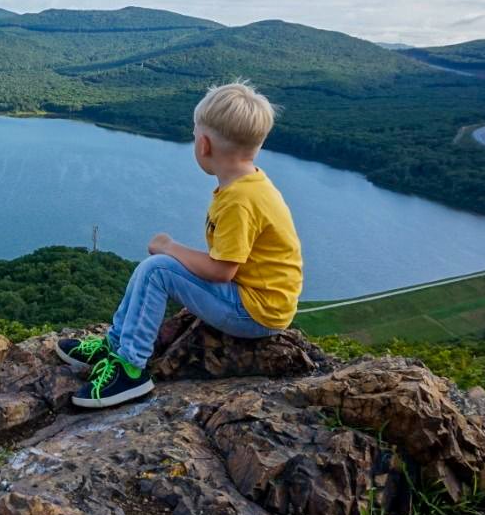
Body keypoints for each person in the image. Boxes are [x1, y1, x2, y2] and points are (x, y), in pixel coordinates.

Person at [57, 80, 303, 408]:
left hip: (255, 314)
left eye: (193, 134)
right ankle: (114, 345)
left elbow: (222, 271)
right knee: (157, 269)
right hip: (262, 304)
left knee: (158, 270)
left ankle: (130, 369)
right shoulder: (251, 185)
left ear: (203, 145)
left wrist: (171, 247)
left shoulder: (240, 200)